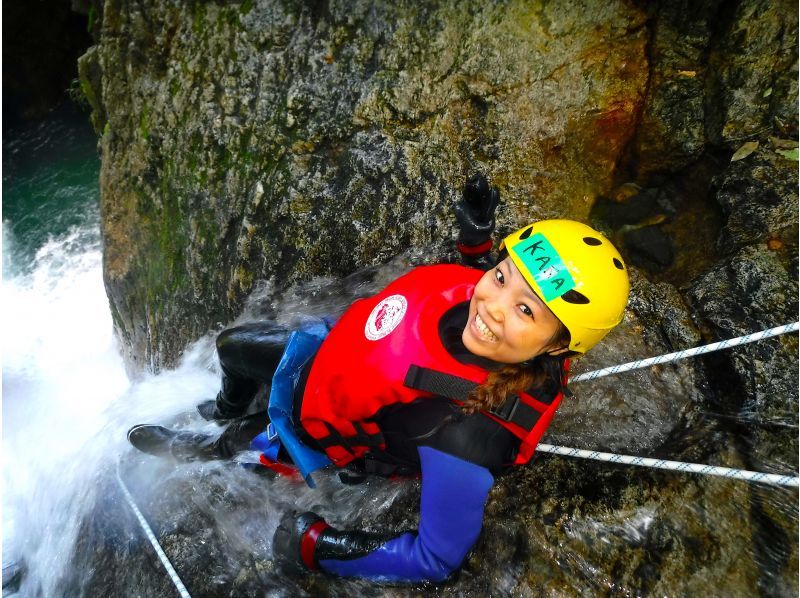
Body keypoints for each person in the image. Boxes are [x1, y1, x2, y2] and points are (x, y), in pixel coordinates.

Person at [127, 174, 630, 583]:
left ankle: (199, 446)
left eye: (525, 309)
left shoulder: (467, 436)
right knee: (233, 347)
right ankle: (223, 407)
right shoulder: (501, 319)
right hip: (335, 353)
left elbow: (436, 559)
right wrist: (476, 241)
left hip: (334, 421)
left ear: (558, 345)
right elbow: (478, 292)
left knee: (250, 441)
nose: (493, 308)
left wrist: (316, 547)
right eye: (502, 276)